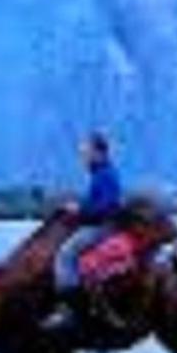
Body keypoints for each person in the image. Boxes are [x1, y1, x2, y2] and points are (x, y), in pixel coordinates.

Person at [45, 130, 123, 330]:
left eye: (86, 152)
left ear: (100, 153)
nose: (83, 157)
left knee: (65, 254)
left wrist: (79, 209)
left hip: (102, 227)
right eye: (83, 153)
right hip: (99, 223)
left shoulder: (106, 175)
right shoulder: (101, 173)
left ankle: (73, 309)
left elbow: (106, 206)